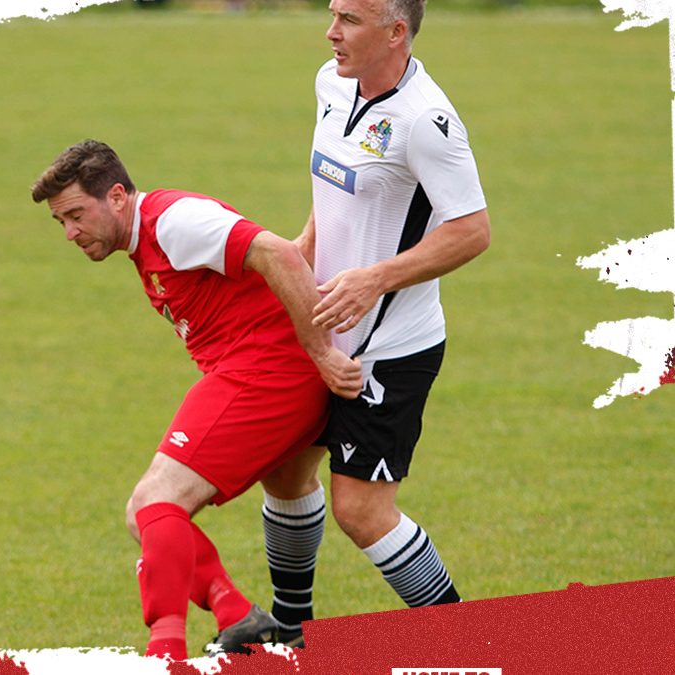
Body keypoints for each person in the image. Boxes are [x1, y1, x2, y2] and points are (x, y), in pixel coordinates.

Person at [30, 140, 362, 660]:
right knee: (286, 488)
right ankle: (248, 618)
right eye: (61, 223)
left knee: (152, 504)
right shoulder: (148, 238)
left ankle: (167, 650)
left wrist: (320, 353)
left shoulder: (173, 221)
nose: (70, 233)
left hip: (266, 375)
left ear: (116, 196)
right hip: (263, 373)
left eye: (76, 215)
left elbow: (275, 252)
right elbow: (287, 255)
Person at [257, 0, 491, 647]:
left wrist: (374, 277)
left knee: (361, 510)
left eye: (349, 20)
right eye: (332, 14)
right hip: (322, 328)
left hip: (390, 349)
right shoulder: (329, 84)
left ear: (395, 32)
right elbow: (336, 182)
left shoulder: (427, 122)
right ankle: (290, 631)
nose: (331, 31)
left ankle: (466, 642)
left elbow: (472, 230)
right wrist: (307, 245)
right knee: (284, 471)